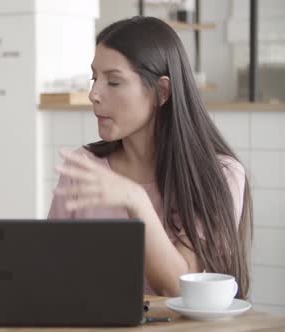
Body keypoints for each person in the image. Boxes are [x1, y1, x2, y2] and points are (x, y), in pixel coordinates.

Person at [49, 16, 252, 298]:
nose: (94, 94)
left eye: (114, 82)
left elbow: (178, 288)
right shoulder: (84, 167)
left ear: (162, 91)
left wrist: (134, 200)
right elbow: (49, 271)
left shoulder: (221, 173)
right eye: (94, 78)